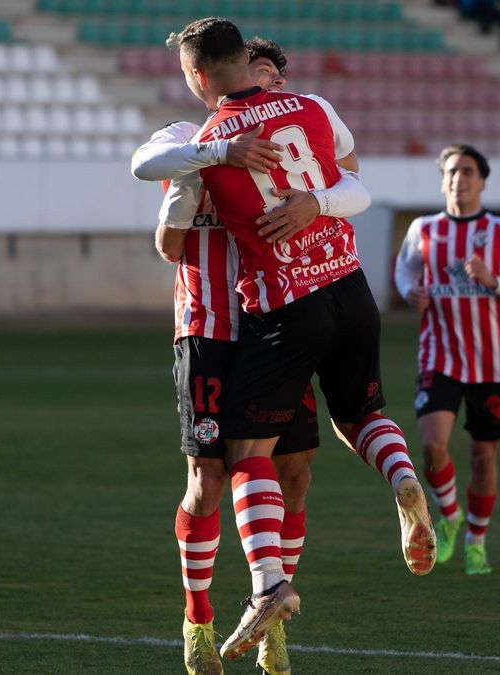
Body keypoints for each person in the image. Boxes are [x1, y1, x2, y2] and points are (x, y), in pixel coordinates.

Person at [165, 17, 437, 662]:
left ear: (200, 75)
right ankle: (401, 478)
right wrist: (308, 195)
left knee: (255, 455)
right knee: (360, 417)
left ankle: (268, 592)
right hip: (323, 297)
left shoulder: (211, 134)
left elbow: (351, 178)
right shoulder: (300, 114)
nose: (276, 81)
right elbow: (356, 178)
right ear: (244, 64)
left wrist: (247, 169)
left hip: (280, 311)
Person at [132, 37, 374, 675]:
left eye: (271, 81)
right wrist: (205, 174)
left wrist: (310, 207)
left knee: (294, 475)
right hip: (210, 330)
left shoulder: (292, 140)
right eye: (253, 77)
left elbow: (348, 184)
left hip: (277, 325)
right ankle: (198, 619)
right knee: (208, 482)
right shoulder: (195, 137)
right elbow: (164, 234)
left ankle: (271, 616)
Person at [393, 145, 500, 575]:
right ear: (443, 181)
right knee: (433, 445)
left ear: (482, 181)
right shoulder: (424, 228)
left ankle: (476, 539)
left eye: (468, 171)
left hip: (491, 363)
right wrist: (409, 291)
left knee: (483, 456)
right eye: (453, 171)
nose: (460, 178)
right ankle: (451, 515)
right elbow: (404, 271)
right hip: (438, 356)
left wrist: (496, 281)